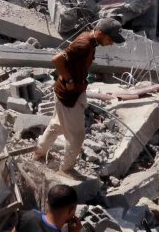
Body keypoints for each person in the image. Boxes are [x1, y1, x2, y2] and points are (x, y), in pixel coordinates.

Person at [35, 18, 123, 173]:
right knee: (76, 137)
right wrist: (69, 79)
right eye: (110, 40)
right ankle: (65, 170)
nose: (111, 44)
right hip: (70, 95)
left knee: (57, 124)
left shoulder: (90, 40)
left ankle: (40, 153)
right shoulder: (84, 45)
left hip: (67, 91)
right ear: (100, 33)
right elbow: (57, 60)